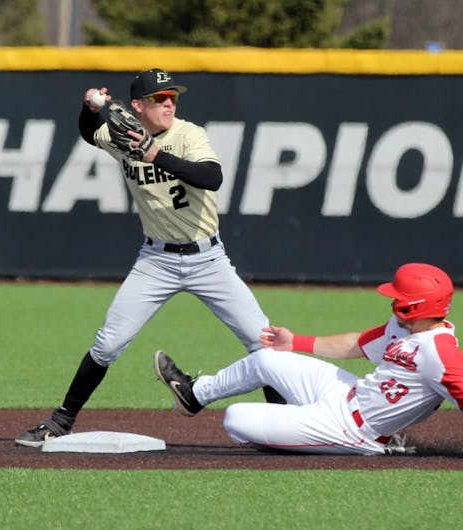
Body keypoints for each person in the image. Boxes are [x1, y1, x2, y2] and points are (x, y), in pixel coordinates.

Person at [15, 68, 283, 447]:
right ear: (138, 106)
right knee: (108, 344)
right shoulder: (123, 135)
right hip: (155, 261)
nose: (169, 103)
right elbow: (90, 132)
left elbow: (212, 177)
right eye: (159, 99)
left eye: (172, 96)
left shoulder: (188, 134)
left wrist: (155, 153)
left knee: (263, 342)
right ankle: (61, 421)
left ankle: (283, 426)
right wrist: (90, 109)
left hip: (208, 260)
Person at [154, 263, 463, 461]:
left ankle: (301, 427)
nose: (391, 300)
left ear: (415, 305)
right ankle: (194, 394)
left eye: (397, 297)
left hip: (352, 430)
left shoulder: (440, 351)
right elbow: (355, 344)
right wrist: (298, 342)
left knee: (236, 419)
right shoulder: (405, 326)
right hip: (345, 393)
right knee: (269, 358)